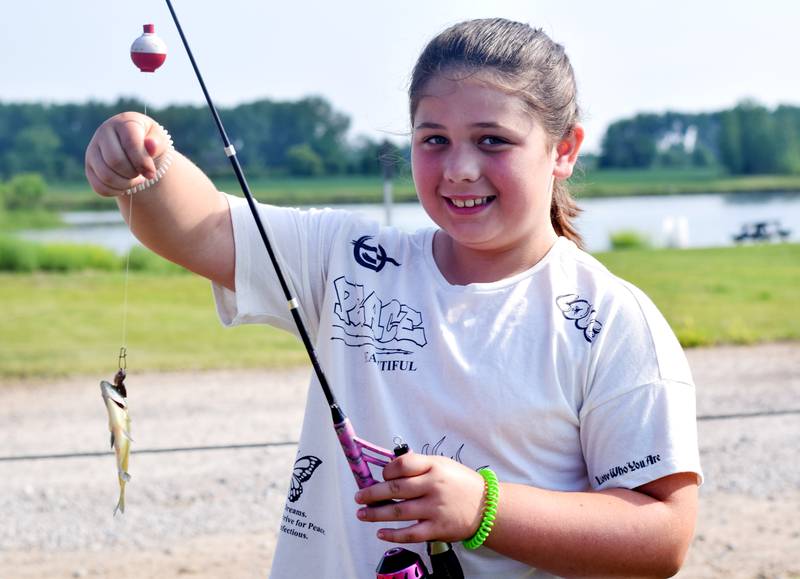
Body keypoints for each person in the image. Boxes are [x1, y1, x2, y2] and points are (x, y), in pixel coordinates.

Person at [85, 18, 702, 578]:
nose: (459, 168)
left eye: (492, 141)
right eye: (433, 139)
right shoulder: (348, 259)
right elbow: (203, 227)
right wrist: (141, 155)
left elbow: (661, 535)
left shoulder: (611, 320)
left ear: (563, 150)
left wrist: (484, 508)